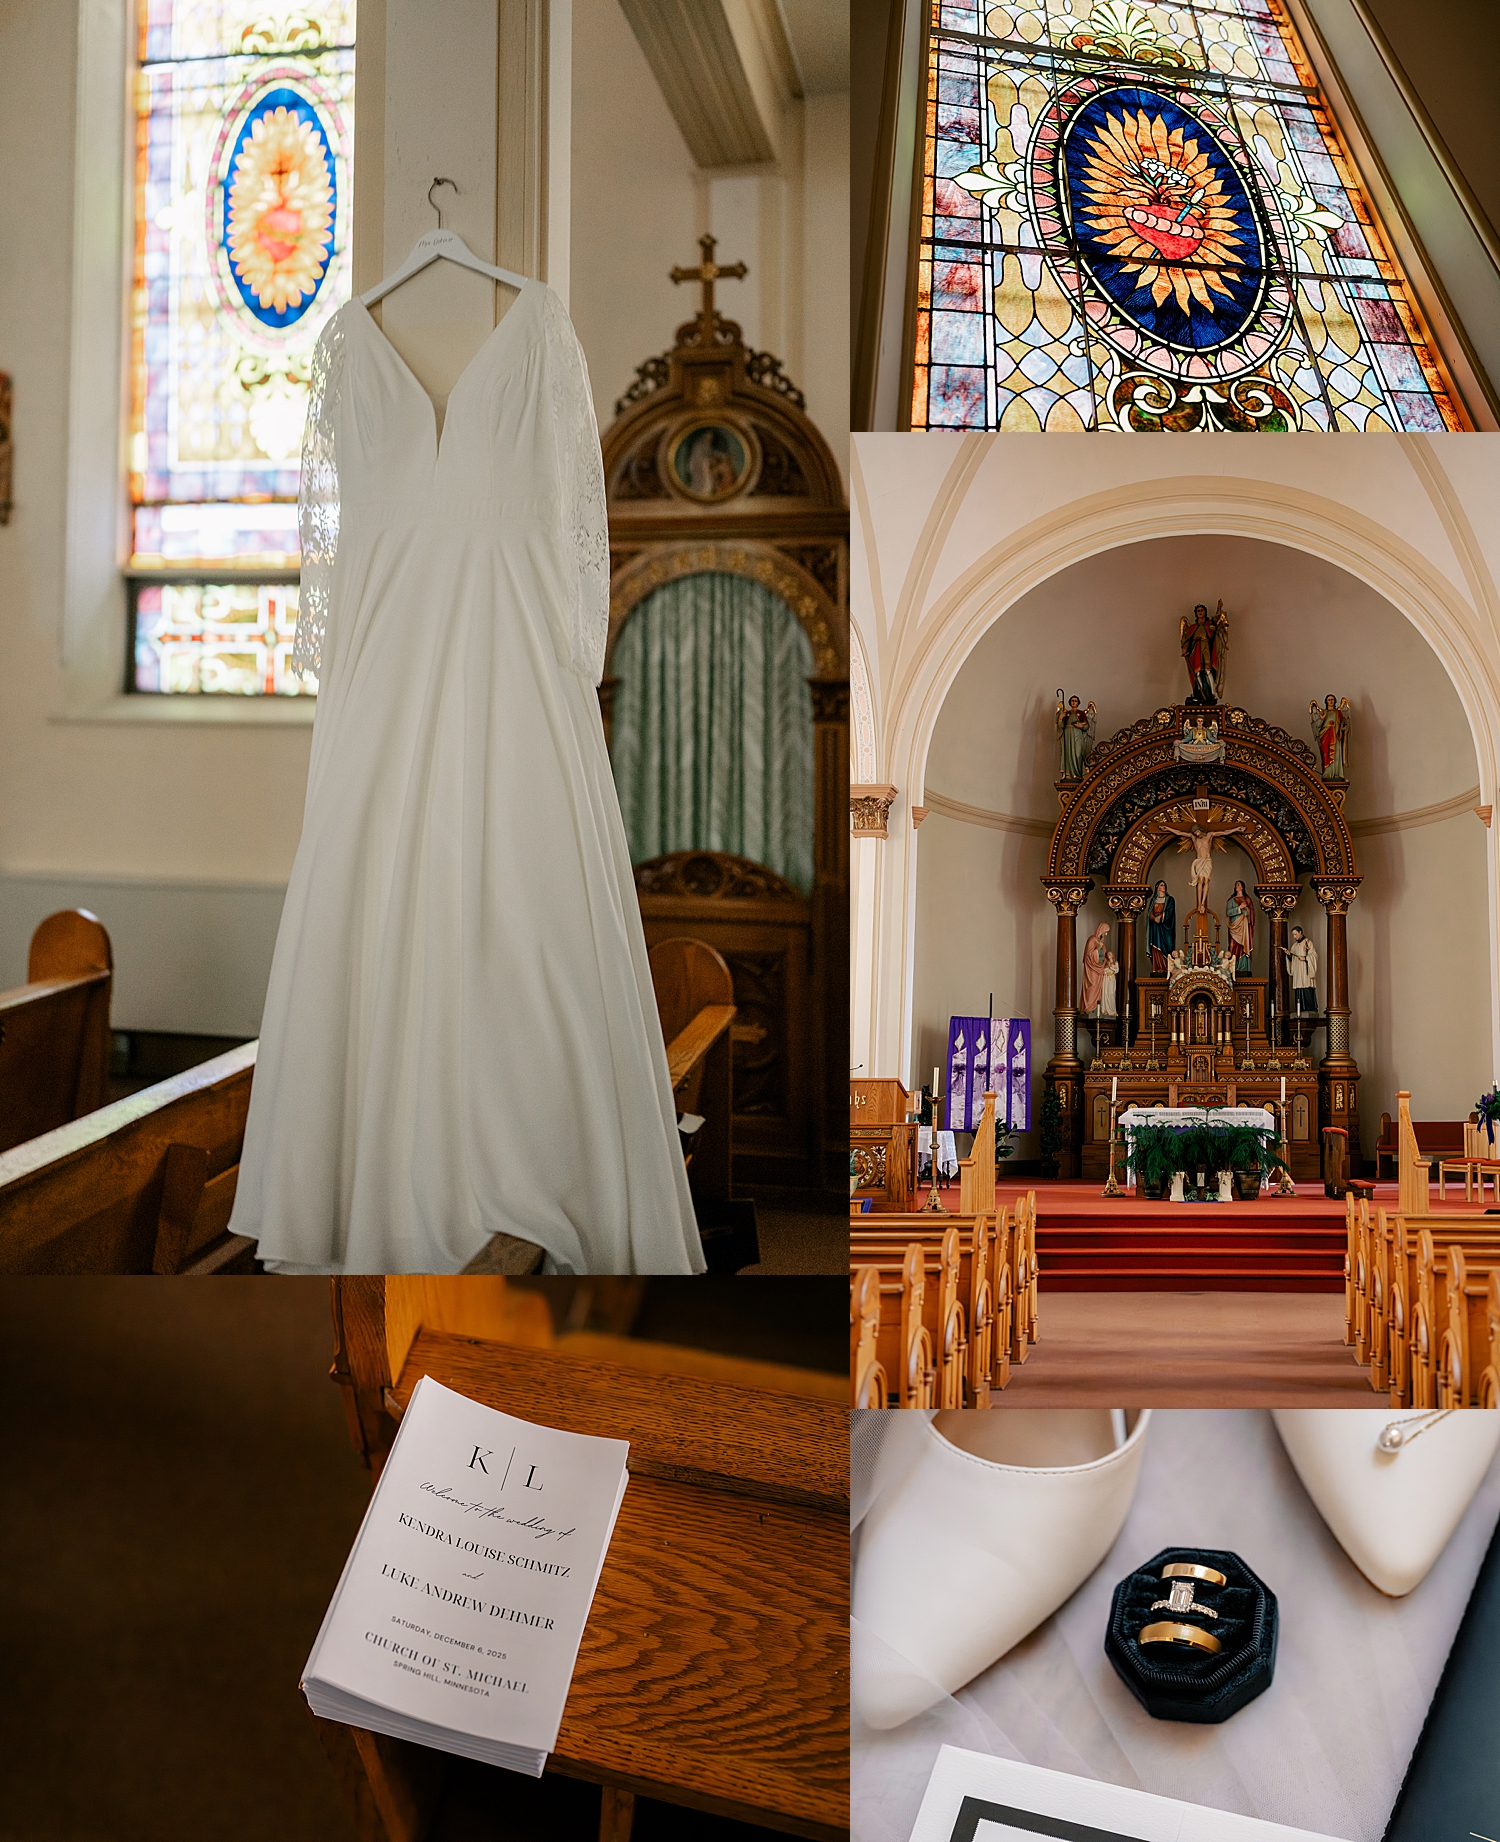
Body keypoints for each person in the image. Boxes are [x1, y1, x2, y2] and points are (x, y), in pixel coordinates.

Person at [1180, 600, 1228, 703]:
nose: (1200, 612)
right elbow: (1188, 639)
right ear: (1196, 613)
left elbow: (1216, 619)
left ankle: (1211, 693)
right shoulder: (1193, 627)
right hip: (1196, 650)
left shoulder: (1209, 624)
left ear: (1205, 612)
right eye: (1198, 611)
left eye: (1202, 610)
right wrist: (1185, 648)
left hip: (1206, 648)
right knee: (1197, 672)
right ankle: (1199, 692)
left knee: (1207, 670)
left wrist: (1219, 608)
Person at [1079, 921, 1118, 1016]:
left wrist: (1108, 961)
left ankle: (1097, 1007)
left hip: (1100, 970)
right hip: (1091, 970)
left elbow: (1104, 958)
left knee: (1099, 989)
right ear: (1101, 930)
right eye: (1105, 932)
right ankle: (1089, 1007)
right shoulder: (1092, 940)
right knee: (1092, 986)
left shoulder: (1102, 943)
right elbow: (1089, 955)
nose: (1106, 934)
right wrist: (1097, 949)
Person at [1055, 692, 1096, 779]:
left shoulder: (1081, 713)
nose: (1074, 702)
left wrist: (1080, 725)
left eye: (1075, 701)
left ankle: (1077, 774)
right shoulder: (1066, 713)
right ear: (1070, 702)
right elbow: (1061, 726)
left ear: (1078, 703)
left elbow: (1087, 726)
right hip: (1068, 734)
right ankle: (1068, 775)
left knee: (1078, 753)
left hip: (1077, 735)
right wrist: (1061, 717)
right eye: (1072, 701)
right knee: (1068, 753)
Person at [1310, 694, 1351, 779]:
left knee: (1336, 755)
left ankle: (1337, 773)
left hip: (1336, 736)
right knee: (1326, 754)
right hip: (1326, 735)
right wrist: (1322, 718)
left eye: (1332, 699)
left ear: (1335, 701)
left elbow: (1343, 723)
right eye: (1329, 700)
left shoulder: (1338, 712)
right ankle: (1327, 773)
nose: (1331, 701)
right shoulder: (1323, 712)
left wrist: (1343, 728)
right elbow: (1318, 726)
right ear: (1326, 701)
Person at [1283, 925, 1318, 1013]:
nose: (1294, 937)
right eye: (1293, 935)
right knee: (1299, 990)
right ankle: (1300, 1009)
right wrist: (1288, 955)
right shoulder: (1294, 946)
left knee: (1307, 989)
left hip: (1305, 972)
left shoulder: (1308, 943)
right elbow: (1292, 960)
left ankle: (1310, 1009)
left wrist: (1305, 958)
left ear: (1300, 932)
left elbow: (1314, 956)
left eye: (1295, 934)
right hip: (1298, 973)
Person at [1146, 878, 1175, 976]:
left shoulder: (1170, 899)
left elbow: (1170, 911)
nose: (1163, 887)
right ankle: (1157, 967)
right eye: (1161, 885)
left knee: (1168, 946)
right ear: (1157, 887)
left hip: (1165, 926)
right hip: (1155, 927)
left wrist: (1161, 917)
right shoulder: (1153, 900)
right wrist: (1154, 918)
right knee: (1155, 946)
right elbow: (1149, 913)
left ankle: (1167, 968)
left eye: (1164, 885)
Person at [1226, 878, 1255, 974]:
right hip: (1235, 926)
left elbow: (1251, 913)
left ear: (1242, 887)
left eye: (1238, 884)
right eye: (1236, 885)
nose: (1237, 886)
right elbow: (1228, 912)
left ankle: (1244, 968)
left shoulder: (1247, 899)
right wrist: (1239, 908)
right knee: (1233, 945)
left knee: (1244, 946)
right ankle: (1233, 967)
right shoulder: (1231, 900)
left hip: (1244, 926)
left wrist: (1246, 908)